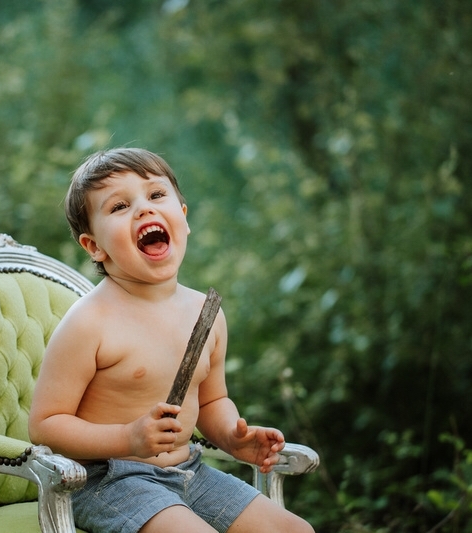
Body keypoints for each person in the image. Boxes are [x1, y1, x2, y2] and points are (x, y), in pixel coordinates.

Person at [28, 148, 313, 533]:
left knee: (296, 530)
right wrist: (128, 437)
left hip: (188, 471)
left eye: (156, 195)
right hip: (107, 480)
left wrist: (234, 436)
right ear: (94, 246)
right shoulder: (89, 322)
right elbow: (45, 425)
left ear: (182, 215)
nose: (144, 208)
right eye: (120, 206)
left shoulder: (206, 313)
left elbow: (212, 401)